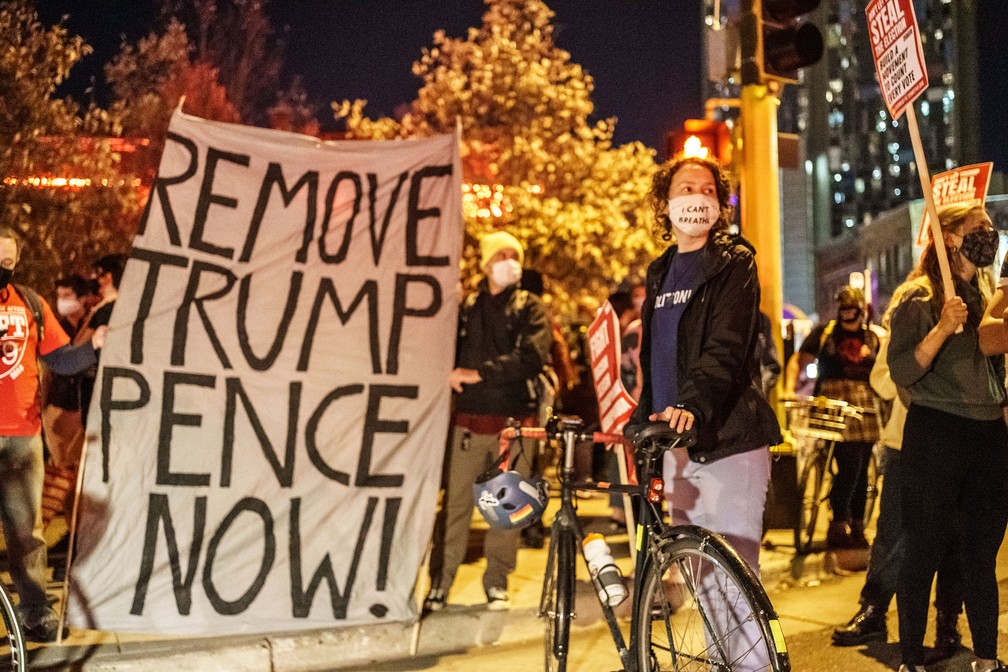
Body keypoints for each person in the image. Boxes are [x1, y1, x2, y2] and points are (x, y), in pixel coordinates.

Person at [629, 153, 781, 574]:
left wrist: (691, 407)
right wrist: (643, 418)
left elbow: (725, 348)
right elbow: (655, 358)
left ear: (721, 207)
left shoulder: (734, 263)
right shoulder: (659, 272)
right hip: (676, 446)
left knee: (734, 581)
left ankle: (760, 645)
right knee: (701, 585)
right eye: (686, 189)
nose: (698, 199)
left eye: (708, 191)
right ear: (664, 205)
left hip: (727, 440)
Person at [887, 203, 1007, 672]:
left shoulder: (985, 290)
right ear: (950, 236)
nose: (988, 235)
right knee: (925, 547)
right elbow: (902, 370)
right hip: (937, 431)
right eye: (978, 228)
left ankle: (987, 658)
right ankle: (912, 659)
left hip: (987, 434)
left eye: (990, 228)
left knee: (982, 553)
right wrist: (941, 328)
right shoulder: (919, 296)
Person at [832, 278, 965, 664]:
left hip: (958, 439)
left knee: (952, 535)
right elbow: (884, 380)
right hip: (905, 440)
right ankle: (874, 609)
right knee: (893, 531)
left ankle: (947, 621)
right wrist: (919, 374)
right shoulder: (912, 310)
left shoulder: (974, 303)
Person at [424, 231, 551, 612]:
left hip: (513, 426)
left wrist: (478, 374)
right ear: (485, 262)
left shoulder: (531, 307)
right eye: (501, 254)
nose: (509, 261)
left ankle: (496, 581)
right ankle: (440, 582)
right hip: (469, 423)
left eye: (515, 254)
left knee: (506, 510)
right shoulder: (467, 307)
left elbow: (531, 357)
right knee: (455, 508)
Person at [0, 227, 107, 641]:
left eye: (7, 264)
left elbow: (60, 360)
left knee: (27, 533)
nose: (2, 270)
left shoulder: (30, 303)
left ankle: (34, 611)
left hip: (23, 440)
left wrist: (94, 345)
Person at [783, 285, 881, 550]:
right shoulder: (825, 334)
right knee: (849, 467)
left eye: (852, 309)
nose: (847, 314)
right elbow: (798, 361)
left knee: (861, 469)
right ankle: (838, 524)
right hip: (833, 407)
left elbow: (884, 370)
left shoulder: (873, 338)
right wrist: (792, 390)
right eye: (844, 309)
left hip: (866, 407)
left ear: (861, 310)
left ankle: (858, 526)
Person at [74, 253, 125, 428]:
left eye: (98, 273)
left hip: (96, 384)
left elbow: (78, 345)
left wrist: (93, 315)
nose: (93, 278)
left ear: (108, 277)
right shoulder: (130, 307)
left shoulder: (105, 310)